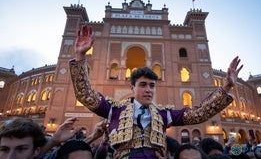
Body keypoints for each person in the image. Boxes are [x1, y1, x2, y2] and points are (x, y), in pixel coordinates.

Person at [69, 24, 243, 158]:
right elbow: (86, 95)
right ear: (132, 88)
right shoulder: (114, 109)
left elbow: (199, 114)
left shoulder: (163, 114)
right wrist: (80, 57)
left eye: (152, 85)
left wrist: (226, 86)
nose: (148, 90)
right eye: (143, 85)